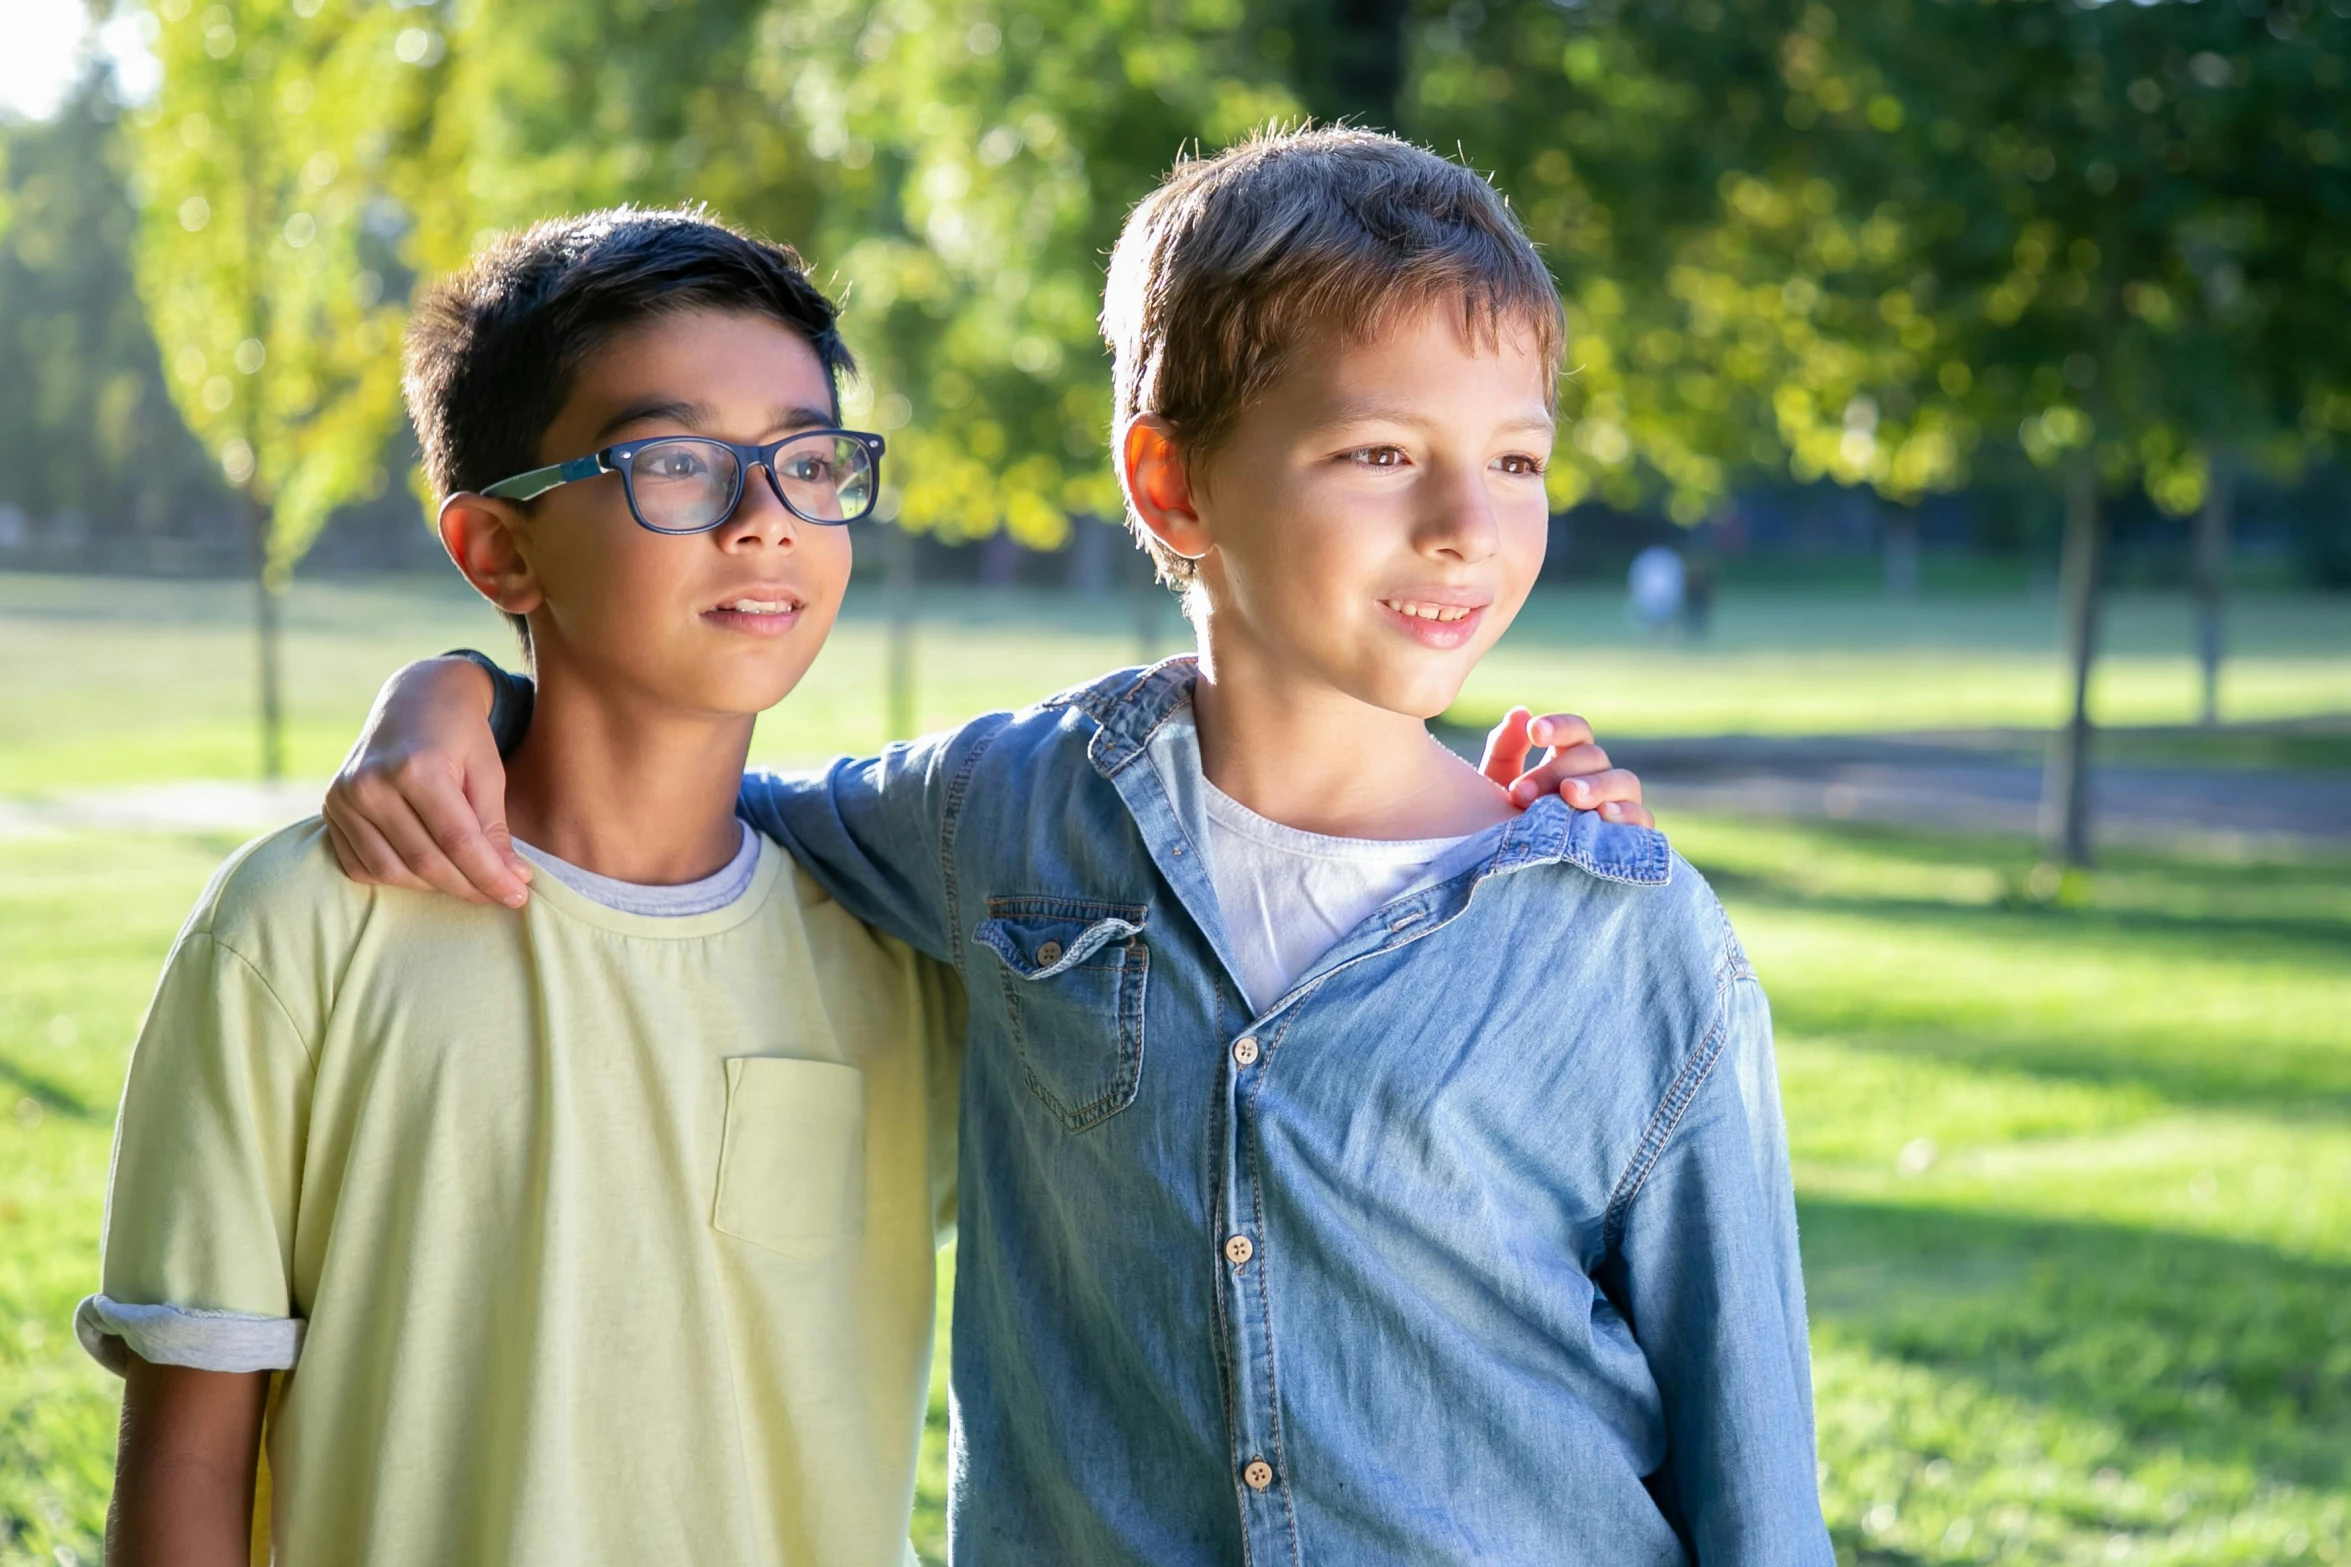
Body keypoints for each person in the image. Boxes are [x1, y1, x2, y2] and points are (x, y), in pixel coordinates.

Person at [328, 129, 1819, 1563]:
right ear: (1171, 483)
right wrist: (464, 686)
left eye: (1514, 461)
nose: (1464, 527)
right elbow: (694, 804)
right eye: (1377, 451)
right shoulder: (1004, 812)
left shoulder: (1625, 928)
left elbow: (1751, 1454)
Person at [79, 209, 968, 1566]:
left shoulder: (906, 947)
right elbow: (190, 1460)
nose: (761, 521)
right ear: (498, 551)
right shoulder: (303, 929)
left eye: (805, 460)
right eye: (675, 460)